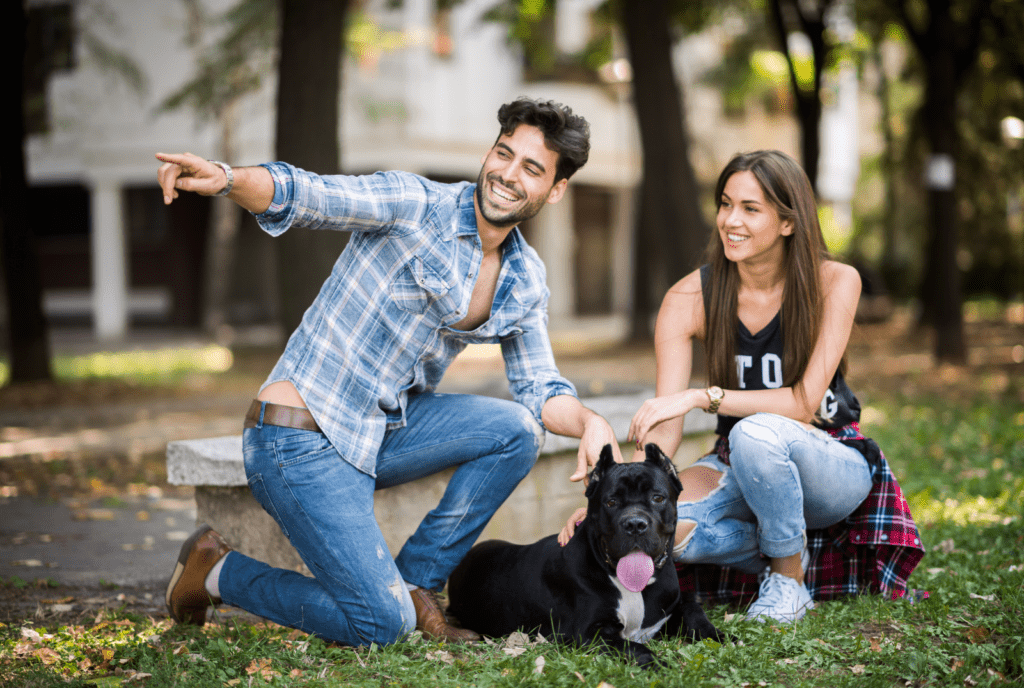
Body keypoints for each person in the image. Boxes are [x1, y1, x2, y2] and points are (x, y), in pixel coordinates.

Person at [158, 97, 621, 647]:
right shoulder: (416, 204)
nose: (506, 174)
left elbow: (540, 389)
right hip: (298, 436)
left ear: (555, 189)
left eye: (531, 168)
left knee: (517, 431)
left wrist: (590, 422)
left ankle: (413, 586)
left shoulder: (525, 277)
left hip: (377, 432)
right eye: (503, 154)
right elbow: (311, 195)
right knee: (381, 625)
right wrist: (228, 178)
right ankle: (214, 570)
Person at [561, 150, 924, 623]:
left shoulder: (835, 281)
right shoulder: (688, 298)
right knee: (656, 530)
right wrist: (617, 498)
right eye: (725, 204)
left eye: (750, 209)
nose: (731, 220)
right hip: (738, 464)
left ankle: (790, 582)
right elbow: (663, 434)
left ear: (788, 222)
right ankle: (778, 553)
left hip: (829, 459)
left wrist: (700, 396)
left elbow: (802, 402)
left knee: (754, 432)